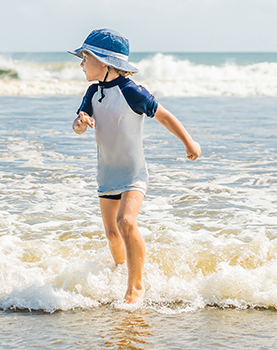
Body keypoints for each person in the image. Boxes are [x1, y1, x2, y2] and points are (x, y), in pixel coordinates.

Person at [69, 28, 201, 304]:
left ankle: (136, 286)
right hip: (106, 173)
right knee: (112, 233)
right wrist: (80, 124)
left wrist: (188, 142)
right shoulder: (92, 93)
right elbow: (79, 125)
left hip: (133, 173)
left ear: (104, 62)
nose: (81, 63)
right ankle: (120, 273)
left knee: (126, 222)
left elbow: (163, 116)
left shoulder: (132, 91)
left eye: (85, 57)